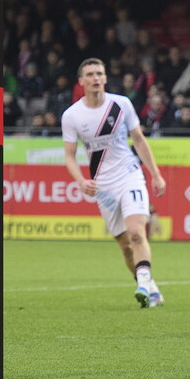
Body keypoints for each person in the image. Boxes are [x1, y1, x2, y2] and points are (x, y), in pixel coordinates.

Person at [61, 57, 167, 308]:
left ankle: (143, 284)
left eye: (99, 73)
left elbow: (139, 140)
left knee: (136, 233)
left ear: (105, 78)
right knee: (125, 246)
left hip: (129, 174)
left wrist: (156, 173)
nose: (95, 78)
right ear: (81, 81)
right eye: (90, 74)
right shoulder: (72, 115)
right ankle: (149, 285)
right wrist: (81, 181)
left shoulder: (121, 104)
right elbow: (69, 156)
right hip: (103, 187)